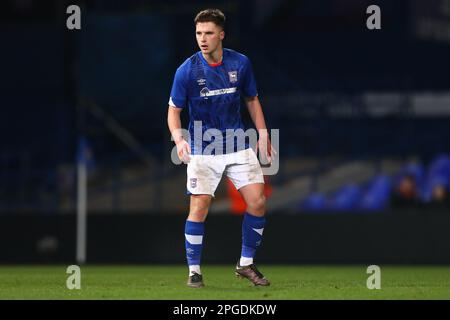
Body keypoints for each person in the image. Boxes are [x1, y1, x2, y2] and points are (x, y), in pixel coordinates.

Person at [167, 8, 274, 287]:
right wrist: (179, 139)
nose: (202, 38)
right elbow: (173, 111)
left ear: (221, 35)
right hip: (203, 146)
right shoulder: (186, 71)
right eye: (199, 33)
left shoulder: (241, 63)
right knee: (199, 207)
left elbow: (252, 99)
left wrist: (263, 134)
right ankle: (194, 271)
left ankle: (246, 264)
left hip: (237, 144)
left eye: (209, 33)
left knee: (258, 202)